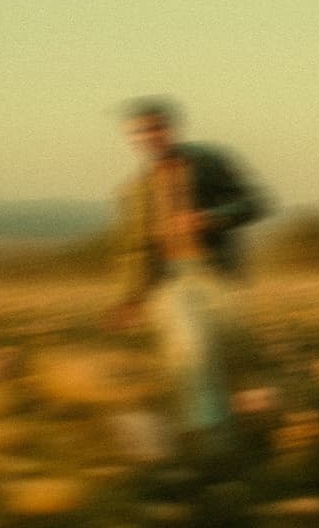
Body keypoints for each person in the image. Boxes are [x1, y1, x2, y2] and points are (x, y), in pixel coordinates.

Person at [108, 98, 268, 456]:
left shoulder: (210, 162)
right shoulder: (135, 190)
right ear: (133, 139)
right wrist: (128, 299)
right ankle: (214, 442)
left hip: (215, 275)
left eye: (156, 128)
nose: (150, 137)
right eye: (141, 132)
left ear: (172, 129)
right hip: (171, 282)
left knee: (231, 353)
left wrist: (212, 217)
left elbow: (256, 202)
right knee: (194, 348)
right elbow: (133, 252)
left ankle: (229, 427)